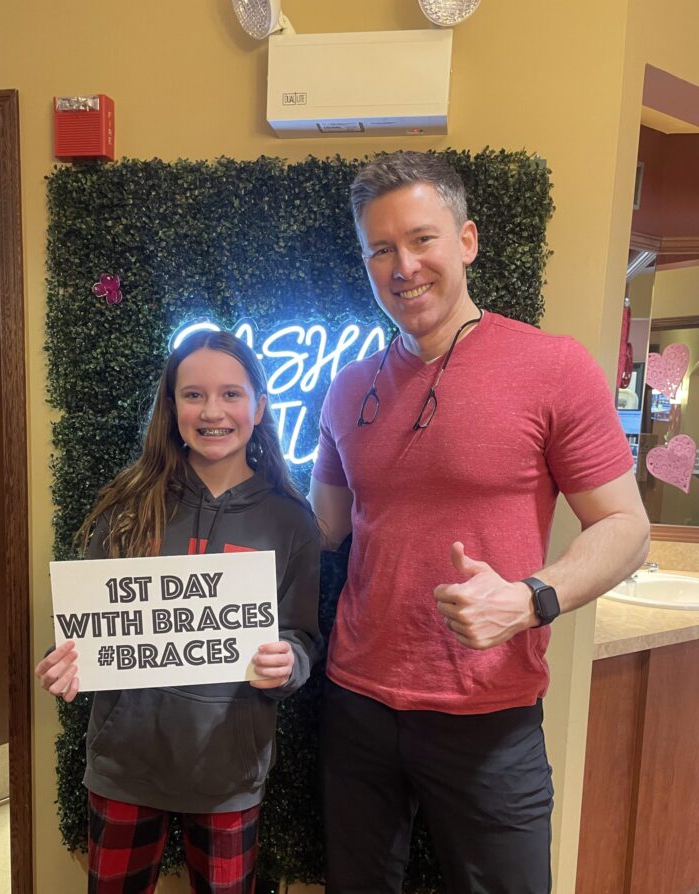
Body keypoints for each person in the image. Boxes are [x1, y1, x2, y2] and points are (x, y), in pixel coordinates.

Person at [309, 151, 650, 894]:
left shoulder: (551, 368)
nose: (403, 265)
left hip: (487, 715)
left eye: (422, 239)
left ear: (466, 241)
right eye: (380, 249)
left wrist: (530, 598)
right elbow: (321, 533)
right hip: (357, 703)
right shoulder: (345, 389)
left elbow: (627, 527)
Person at [36, 330, 321, 894]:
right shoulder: (127, 506)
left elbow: (302, 638)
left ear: (260, 406)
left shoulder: (292, 521)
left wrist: (289, 663)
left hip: (228, 774)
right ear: (171, 408)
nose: (212, 411)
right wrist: (63, 662)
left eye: (231, 394)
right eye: (193, 395)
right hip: (125, 764)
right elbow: (93, 629)